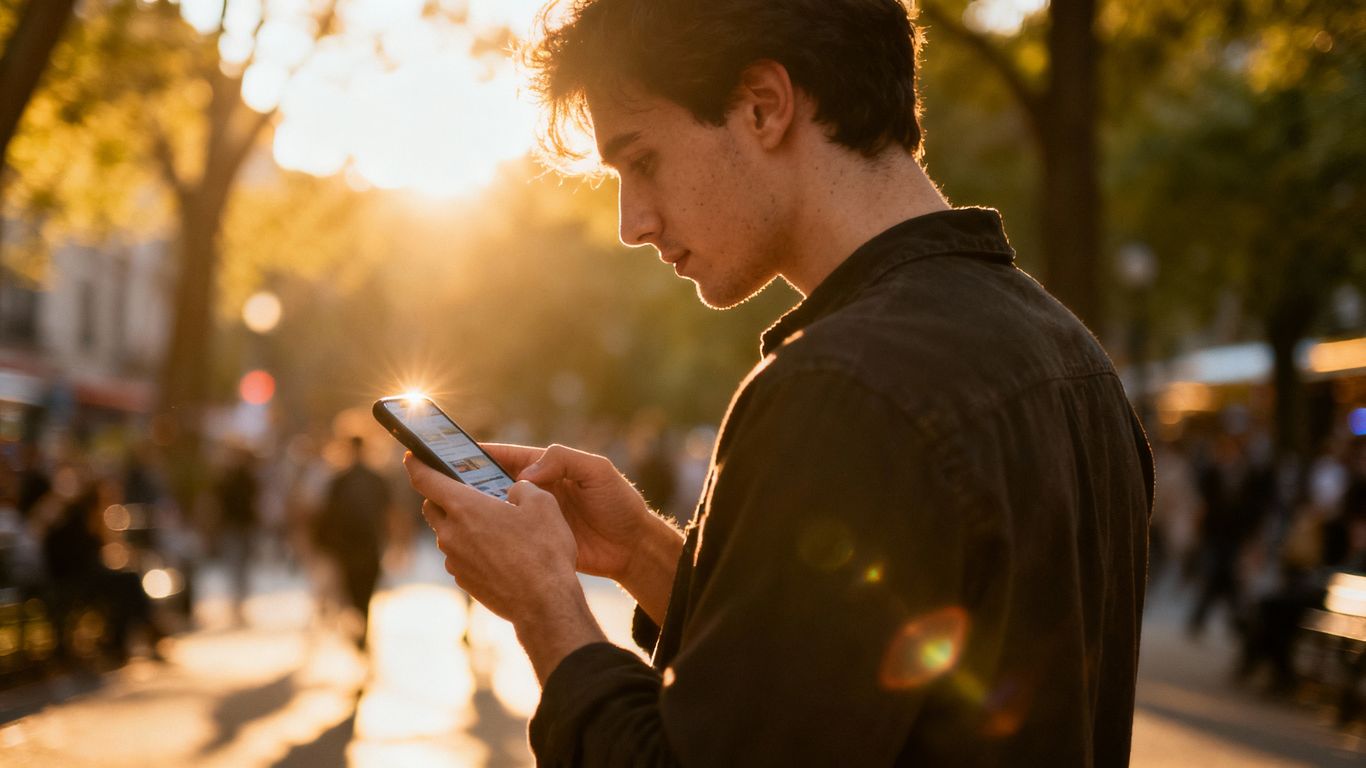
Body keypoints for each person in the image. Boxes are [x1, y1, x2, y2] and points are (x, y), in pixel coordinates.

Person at [402, 1, 1153, 764]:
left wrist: (545, 604)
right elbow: (838, 686)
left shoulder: (840, 388)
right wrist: (643, 555)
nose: (632, 222)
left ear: (763, 105)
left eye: (642, 160)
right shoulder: (1071, 354)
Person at [314, 436, 392, 650]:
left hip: (351, 545)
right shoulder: (372, 479)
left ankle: (361, 625)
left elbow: (326, 514)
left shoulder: (341, 480)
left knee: (355, 588)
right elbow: (389, 513)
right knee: (362, 589)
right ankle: (363, 624)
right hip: (363, 544)